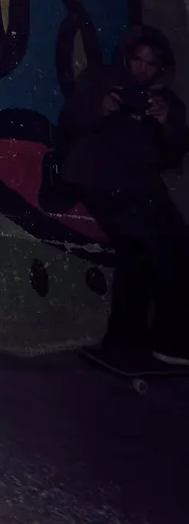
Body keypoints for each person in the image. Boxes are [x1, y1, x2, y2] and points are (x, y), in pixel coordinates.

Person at [59, 26, 189, 366]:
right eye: (137, 60)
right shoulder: (102, 80)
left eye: (150, 64)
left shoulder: (167, 103)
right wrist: (99, 110)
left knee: (155, 250)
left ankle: (129, 342)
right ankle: (167, 341)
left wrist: (166, 124)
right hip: (98, 179)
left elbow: (172, 158)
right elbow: (69, 122)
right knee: (152, 245)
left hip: (142, 187)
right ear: (127, 57)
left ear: (161, 69)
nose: (142, 69)